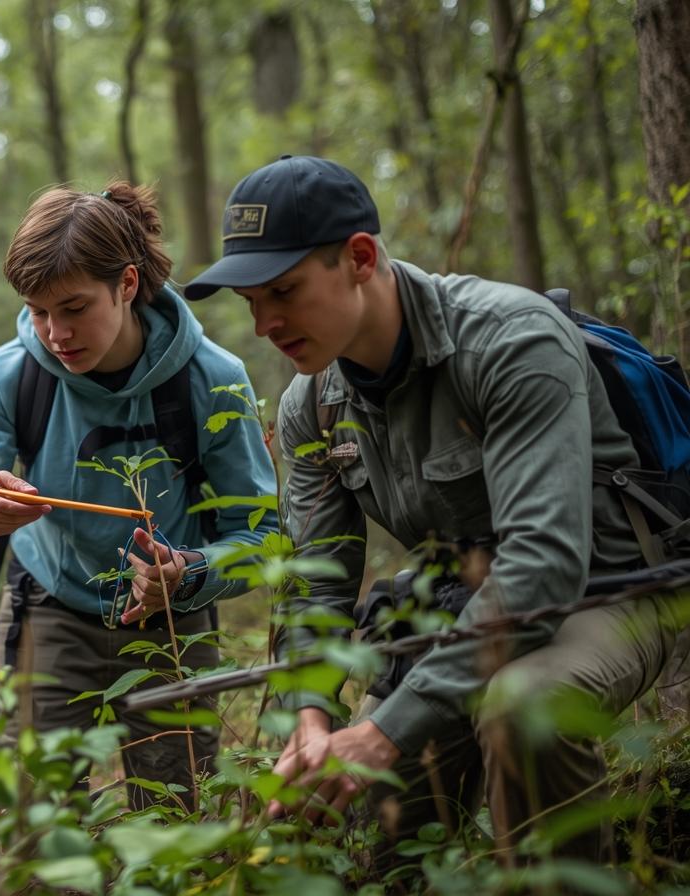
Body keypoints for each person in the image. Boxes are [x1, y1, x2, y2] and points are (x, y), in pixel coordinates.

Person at [182, 154, 684, 861]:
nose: (264, 322)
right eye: (250, 302)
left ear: (358, 258)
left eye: (284, 291)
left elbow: (543, 565)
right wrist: (313, 715)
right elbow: (316, 582)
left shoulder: (512, 342)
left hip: (611, 591)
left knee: (521, 708)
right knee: (383, 825)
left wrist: (387, 729)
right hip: (463, 607)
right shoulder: (312, 406)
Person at [0, 183, 280, 810]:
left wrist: (190, 573)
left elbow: (265, 536)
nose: (56, 333)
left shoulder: (212, 379)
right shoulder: (11, 374)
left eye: (74, 307)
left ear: (128, 284)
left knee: (175, 824)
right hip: (49, 613)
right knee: (35, 824)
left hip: (173, 625)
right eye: (37, 311)